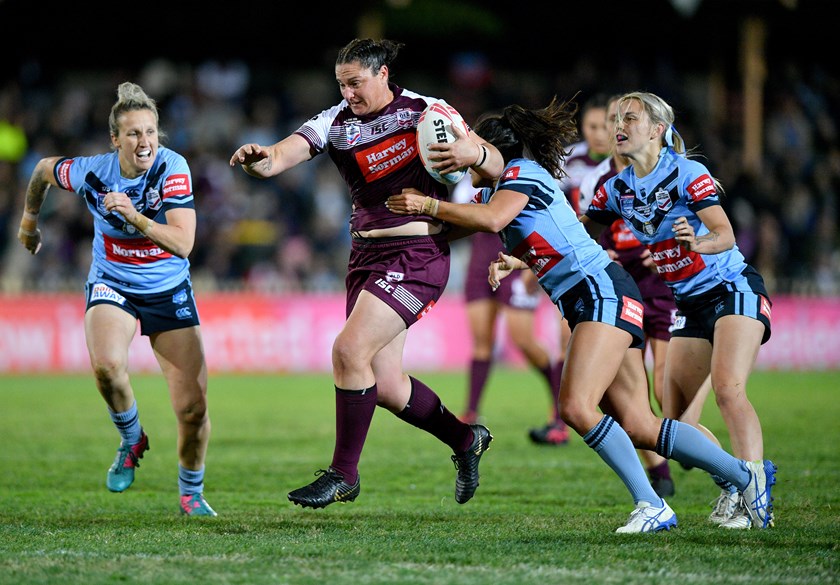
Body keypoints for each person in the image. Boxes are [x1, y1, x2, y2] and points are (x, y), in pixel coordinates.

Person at [386, 96, 776, 533]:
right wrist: (394, 226)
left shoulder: (521, 174)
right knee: (640, 424)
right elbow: (482, 225)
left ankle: (651, 504)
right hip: (595, 295)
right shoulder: (499, 189)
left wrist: (429, 206)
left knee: (575, 405)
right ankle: (746, 477)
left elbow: (491, 220)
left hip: (600, 292)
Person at [229, 38, 501, 508]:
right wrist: (258, 161)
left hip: (416, 255)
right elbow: (279, 157)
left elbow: (493, 163)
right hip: (365, 258)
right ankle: (465, 440)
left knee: (348, 350)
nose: (348, 92)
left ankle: (343, 474)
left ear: (382, 74)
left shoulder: (427, 112)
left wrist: (473, 156)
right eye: (341, 84)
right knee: (389, 386)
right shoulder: (334, 122)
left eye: (355, 82)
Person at [17, 82, 216, 517]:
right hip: (113, 282)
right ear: (115, 139)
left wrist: (135, 216)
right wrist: (30, 221)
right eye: (133, 133)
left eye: (150, 132)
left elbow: (184, 244)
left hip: (167, 288)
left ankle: (190, 493)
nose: (144, 142)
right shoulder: (92, 171)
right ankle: (131, 438)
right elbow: (42, 170)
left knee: (192, 409)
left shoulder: (172, 168)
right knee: (107, 367)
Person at [583, 90, 777, 529]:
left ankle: (755, 496)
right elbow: (576, 232)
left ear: (656, 130)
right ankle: (734, 482)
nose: (619, 125)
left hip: (733, 287)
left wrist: (698, 243)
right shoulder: (615, 189)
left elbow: (725, 234)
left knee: (729, 389)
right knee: (672, 422)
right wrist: (523, 256)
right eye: (617, 118)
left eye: (630, 118)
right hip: (687, 302)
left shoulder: (687, 173)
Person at [460, 229, 568, 445]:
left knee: (522, 341)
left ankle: (559, 408)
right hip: (480, 261)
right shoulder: (467, 192)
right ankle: (471, 413)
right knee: (481, 342)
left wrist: (532, 266)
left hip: (517, 261)